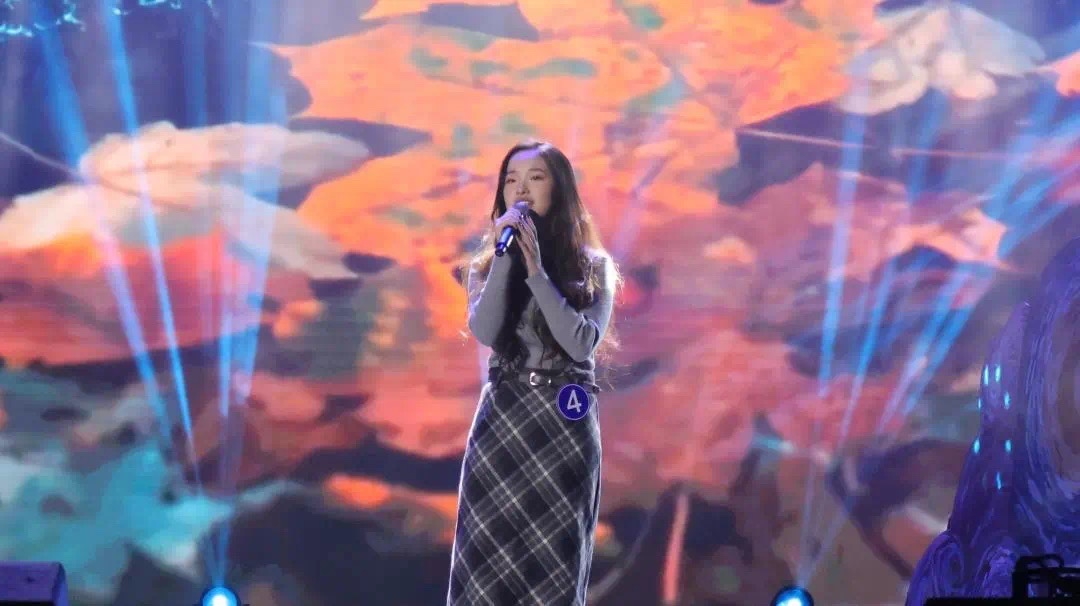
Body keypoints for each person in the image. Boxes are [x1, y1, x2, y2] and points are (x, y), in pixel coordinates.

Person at [447, 140, 620, 605]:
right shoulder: (484, 268)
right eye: (511, 181)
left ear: (559, 189)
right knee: (486, 561)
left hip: (563, 420)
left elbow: (580, 342)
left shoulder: (594, 267)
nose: (521, 190)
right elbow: (486, 330)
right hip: (504, 418)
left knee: (553, 566)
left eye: (535, 178)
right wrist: (508, 260)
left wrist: (538, 273)